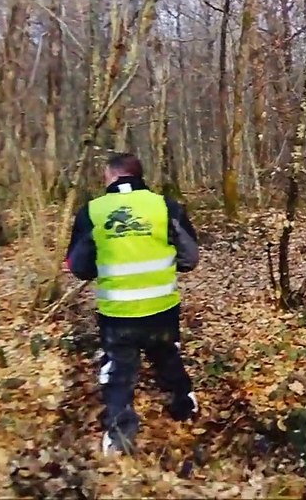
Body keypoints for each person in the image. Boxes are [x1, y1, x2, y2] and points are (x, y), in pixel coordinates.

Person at [66, 152, 201, 457]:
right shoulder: (166, 206)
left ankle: (119, 437)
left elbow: (78, 267)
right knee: (167, 355)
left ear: (111, 176)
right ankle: (185, 404)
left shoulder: (92, 212)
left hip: (118, 314)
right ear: (139, 175)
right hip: (162, 308)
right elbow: (190, 258)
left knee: (118, 372)